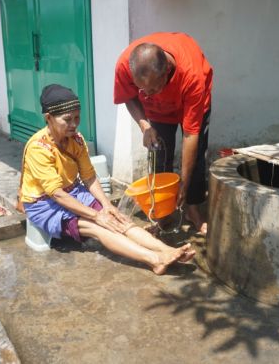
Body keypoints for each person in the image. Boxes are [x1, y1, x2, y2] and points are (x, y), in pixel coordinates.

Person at [19, 84, 195, 275]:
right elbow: (57, 195)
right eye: (67, 119)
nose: (74, 124)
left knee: (118, 218)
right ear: (49, 118)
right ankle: (154, 260)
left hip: (73, 191)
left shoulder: (76, 140)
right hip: (45, 203)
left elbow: (88, 176)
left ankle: (166, 250)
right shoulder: (38, 148)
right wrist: (96, 215)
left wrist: (107, 206)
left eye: (77, 118)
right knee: (99, 228)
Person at [114, 32, 213, 235]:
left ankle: (192, 208)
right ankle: (162, 211)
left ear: (167, 70)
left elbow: (190, 134)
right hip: (159, 110)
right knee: (160, 155)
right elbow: (129, 97)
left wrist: (183, 184)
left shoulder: (192, 76)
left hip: (192, 103)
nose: (146, 94)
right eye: (142, 89)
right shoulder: (125, 66)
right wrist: (145, 126)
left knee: (196, 159)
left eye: (152, 88)